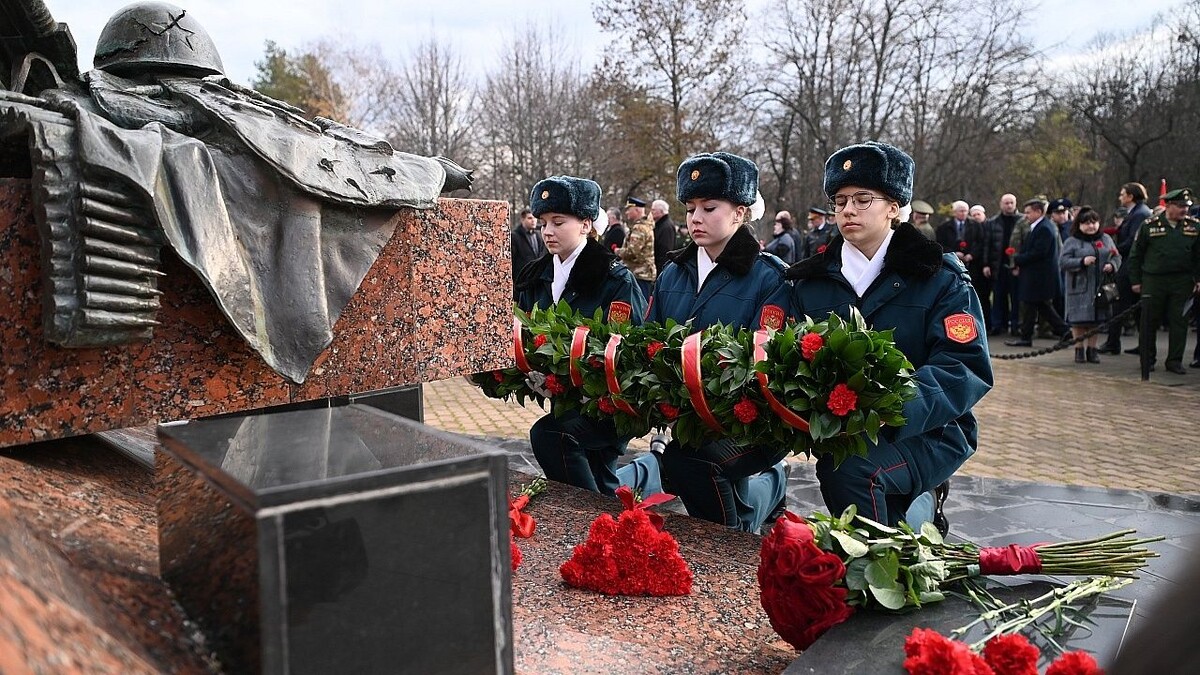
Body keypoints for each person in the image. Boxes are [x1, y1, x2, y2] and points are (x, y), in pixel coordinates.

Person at [784, 141, 992, 533]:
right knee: (850, 467)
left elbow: (964, 366)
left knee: (850, 470)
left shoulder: (937, 276)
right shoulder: (809, 283)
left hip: (929, 429)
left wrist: (889, 411)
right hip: (842, 429)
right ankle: (908, 529)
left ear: (894, 207)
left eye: (863, 199)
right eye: (840, 200)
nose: (848, 210)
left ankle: (886, 568)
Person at [649, 151, 790, 534]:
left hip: (753, 421)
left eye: (709, 207)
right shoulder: (672, 276)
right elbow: (649, 345)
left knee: (691, 463)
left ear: (740, 213)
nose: (695, 218)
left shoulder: (769, 278)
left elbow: (768, 362)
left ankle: (731, 546)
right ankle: (762, 500)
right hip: (690, 417)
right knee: (685, 468)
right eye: (691, 207)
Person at [517, 176, 647, 495]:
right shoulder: (536, 276)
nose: (547, 231)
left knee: (553, 440)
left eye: (558, 222)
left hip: (607, 407)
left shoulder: (615, 280)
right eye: (544, 221)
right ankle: (648, 474)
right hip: (566, 402)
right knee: (601, 480)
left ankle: (596, 528)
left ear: (586, 224)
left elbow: (631, 351)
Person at [1127, 188, 1200, 375]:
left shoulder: (1194, 226)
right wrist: (1135, 280)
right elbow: (1136, 255)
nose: (1184, 210)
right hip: (1154, 279)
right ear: (1168, 206)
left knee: (1179, 322)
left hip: (1182, 281)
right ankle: (1148, 359)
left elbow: (1198, 256)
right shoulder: (1149, 225)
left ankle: (1174, 361)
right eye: (1180, 206)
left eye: (1186, 206)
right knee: (1149, 321)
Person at [1005, 198, 1072, 347]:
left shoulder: (1044, 228)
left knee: (1040, 306)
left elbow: (1038, 252)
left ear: (1038, 212)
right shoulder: (1039, 227)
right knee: (1036, 306)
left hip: (1040, 276)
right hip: (1035, 276)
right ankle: (1029, 336)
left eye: (1029, 212)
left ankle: (1064, 332)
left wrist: (1017, 259)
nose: (1026, 215)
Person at [1060, 206, 1121, 363]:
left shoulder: (1106, 239)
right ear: (1079, 224)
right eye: (1086, 223)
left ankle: (1092, 349)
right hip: (1078, 287)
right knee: (1078, 321)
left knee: (1095, 321)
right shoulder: (1071, 241)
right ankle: (1078, 349)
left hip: (1099, 286)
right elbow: (1063, 261)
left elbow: (1116, 256)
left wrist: (1112, 265)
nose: (1091, 226)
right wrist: (1081, 261)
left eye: (1094, 223)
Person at [1099, 183, 1153, 355]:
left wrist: (1113, 251)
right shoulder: (1136, 213)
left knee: (1120, 304)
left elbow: (1133, 241)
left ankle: (1113, 343)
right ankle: (1143, 345)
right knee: (1134, 307)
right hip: (1129, 264)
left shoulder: (1140, 214)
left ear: (1130, 196)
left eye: (1122, 194)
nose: (1120, 197)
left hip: (1130, 266)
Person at [986, 194, 1022, 335]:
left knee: (1016, 298)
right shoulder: (993, 222)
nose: (1009, 205)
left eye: (1011, 202)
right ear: (1001, 204)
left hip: (1016, 265)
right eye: (1006, 203)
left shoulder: (1022, 221)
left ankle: (1015, 325)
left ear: (1015, 204)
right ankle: (997, 325)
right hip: (998, 265)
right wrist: (986, 264)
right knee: (998, 297)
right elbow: (987, 245)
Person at [616, 197, 657, 298]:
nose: (626, 213)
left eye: (629, 209)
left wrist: (618, 251)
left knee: (639, 308)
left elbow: (632, 252)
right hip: (641, 274)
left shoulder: (639, 228)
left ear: (637, 210)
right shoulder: (644, 226)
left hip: (640, 274)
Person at [510, 208, 544, 290]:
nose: (533, 220)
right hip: (522, 282)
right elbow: (512, 261)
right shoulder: (514, 237)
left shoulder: (539, 235)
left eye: (535, 218)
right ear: (522, 219)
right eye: (530, 218)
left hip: (539, 281)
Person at [650, 199, 677, 279]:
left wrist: (661, 272)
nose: (651, 212)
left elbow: (665, 251)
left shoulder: (666, 227)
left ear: (661, 211)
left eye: (653, 210)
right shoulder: (661, 225)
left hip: (662, 269)